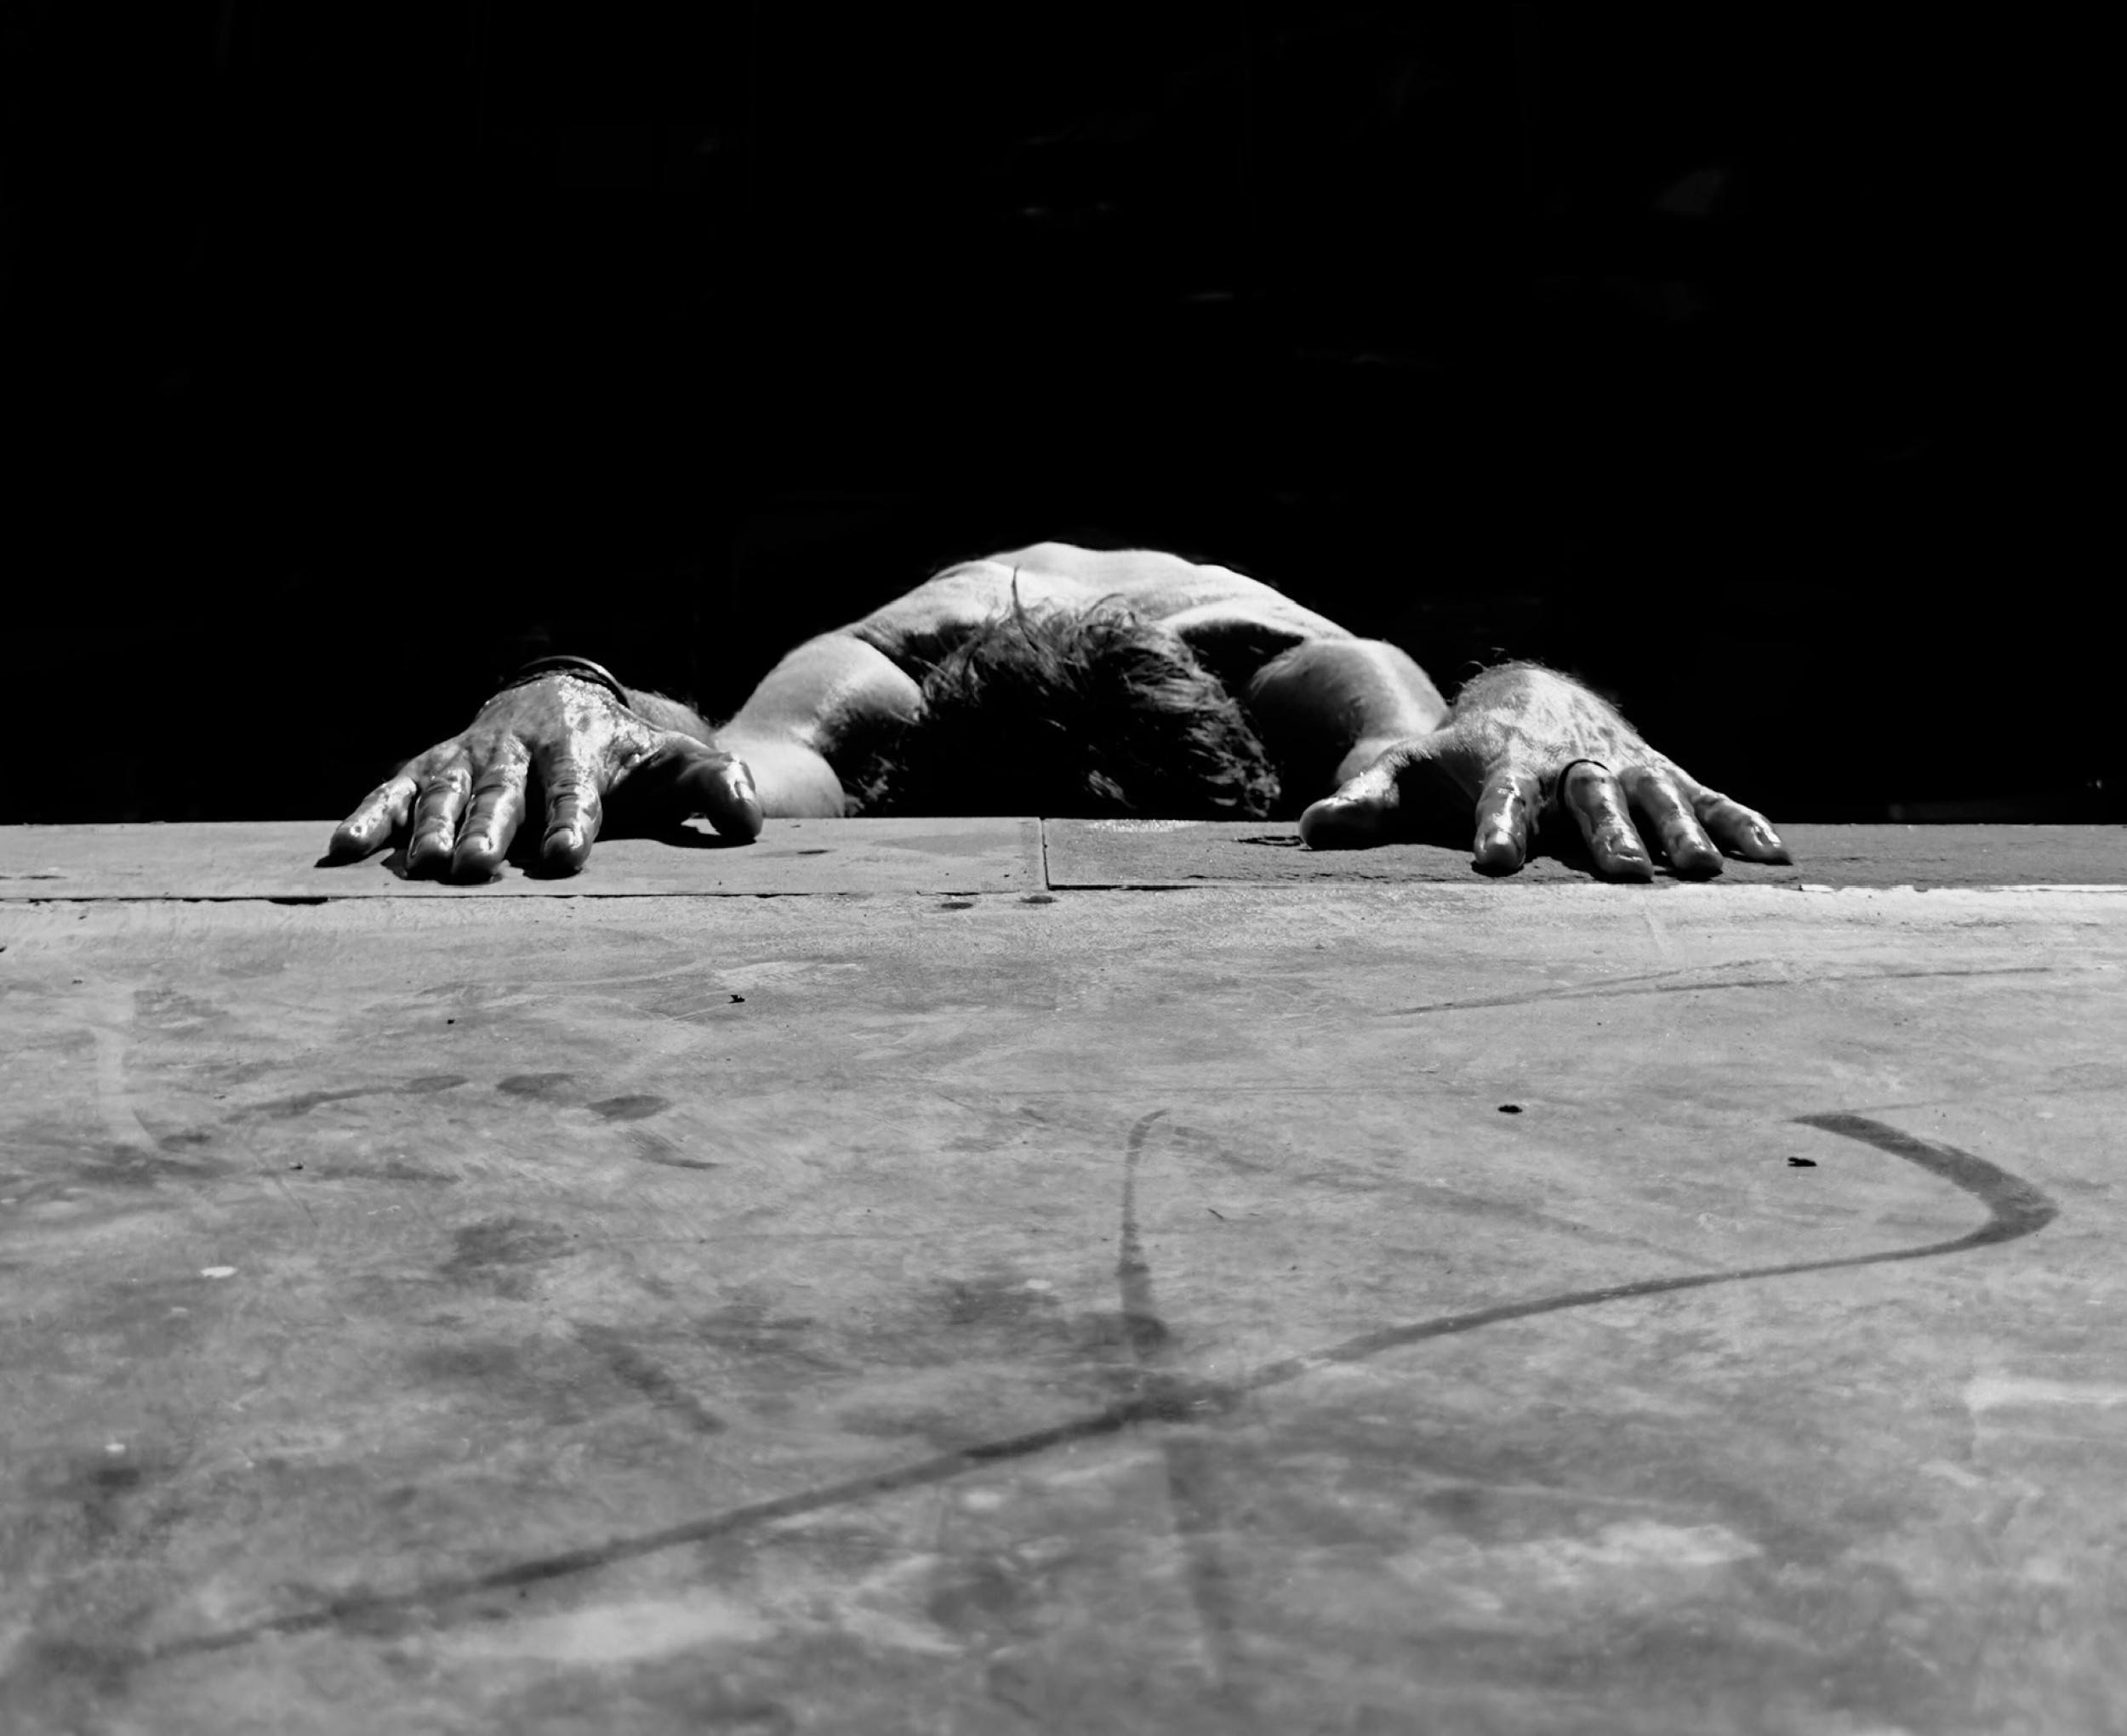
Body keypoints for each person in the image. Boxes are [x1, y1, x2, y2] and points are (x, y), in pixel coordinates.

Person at [327, 541, 1788, 881]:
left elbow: (1421, 737)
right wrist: (571, 700)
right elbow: (720, 769)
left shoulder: (1290, 668)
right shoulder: (877, 680)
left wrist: (1534, 705)